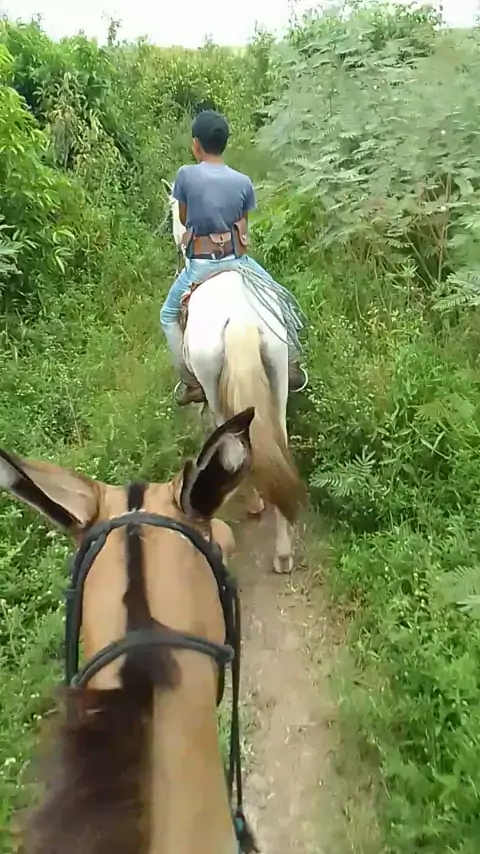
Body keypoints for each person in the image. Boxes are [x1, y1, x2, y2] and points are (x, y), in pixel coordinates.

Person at [160, 109, 306, 406]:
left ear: (196, 145)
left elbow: (184, 220)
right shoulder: (243, 182)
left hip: (200, 266)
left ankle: (191, 382)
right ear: (225, 143)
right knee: (281, 299)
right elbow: (242, 227)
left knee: (167, 315)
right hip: (237, 262)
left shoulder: (185, 176)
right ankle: (291, 362)